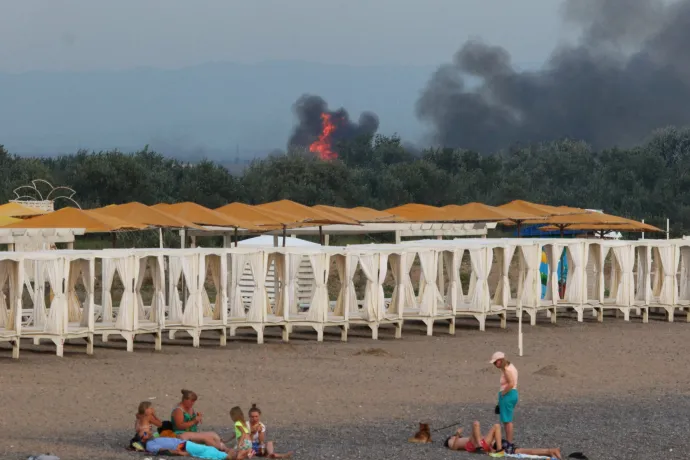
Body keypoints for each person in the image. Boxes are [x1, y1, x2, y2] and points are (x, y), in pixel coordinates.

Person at [443, 422, 562, 460]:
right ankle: (550, 451)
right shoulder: (451, 440)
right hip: (481, 445)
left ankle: (550, 451)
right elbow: (453, 447)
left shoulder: (462, 439)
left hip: (488, 444)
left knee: (496, 426)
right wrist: (457, 435)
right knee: (476, 424)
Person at [491, 351, 519, 447]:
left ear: (500, 361)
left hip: (508, 395)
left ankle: (509, 443)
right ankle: (509, 442)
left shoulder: (507, 370)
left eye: (495, 362)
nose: (495, 365)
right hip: (512, 394)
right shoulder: (511, 367)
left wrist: (503, 393)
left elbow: (511, 383)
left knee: (507, 421)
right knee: (507, 419)